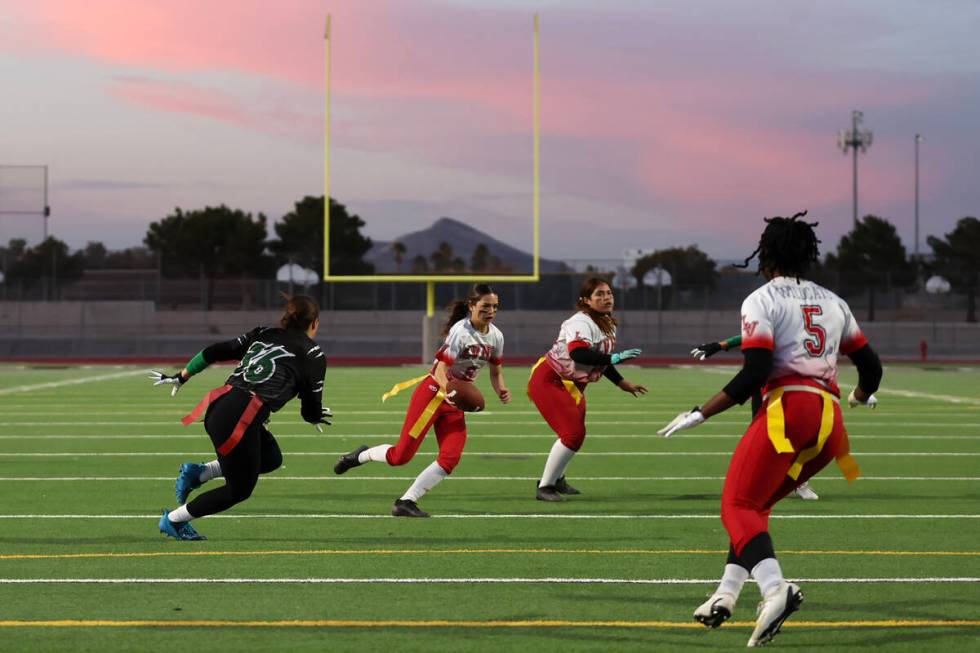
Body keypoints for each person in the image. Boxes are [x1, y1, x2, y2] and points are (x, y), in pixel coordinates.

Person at [658, 211, 882, 647]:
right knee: (754, 507)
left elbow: (754, 372)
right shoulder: (835, 302)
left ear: (767, 254)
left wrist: (700, 412)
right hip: (830, 424)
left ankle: (775, 589)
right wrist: (858, 397)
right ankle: (725, 595)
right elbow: (871, 366)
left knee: (736, 505)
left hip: (789, 412)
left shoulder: (762, 299)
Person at [149, 294, 332, 540]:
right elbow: (309, 411)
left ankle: (200, 473)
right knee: (239, 490)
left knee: (271, 458)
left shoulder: (264, 332)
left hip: (221, 404)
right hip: (240, 416)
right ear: (314, 323)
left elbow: (213, 352)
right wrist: (315, 417)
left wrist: (182, 376)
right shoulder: (314, 355)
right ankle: (173, 520)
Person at [333, 283, 510, 518]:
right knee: (400, 457)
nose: (491, 311)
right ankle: (359, 456)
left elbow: (496, 371)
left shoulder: (497, 336)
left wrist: (501, 389)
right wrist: (449, 391)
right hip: (434, 393)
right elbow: (440, 370)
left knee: (450, 457)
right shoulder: (461, 331)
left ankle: (406, 501)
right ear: (472, 306)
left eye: (495, 307)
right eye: (486, 306)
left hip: (453, 400)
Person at [528, 277, 648, 501]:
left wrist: (622, 383)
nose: (606, 298)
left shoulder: (606, 322)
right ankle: (545, 487)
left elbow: (599, 360)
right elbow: (578, 353)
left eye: (609, 293)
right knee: (572, 434)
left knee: (575, 433)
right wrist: (614, 357)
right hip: (551, 380)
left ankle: (556, 479)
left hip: (572, 384)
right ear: (586, 301)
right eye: (599, 295)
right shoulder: (582, 321)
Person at [691, 336, 820, 501]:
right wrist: (721, 345)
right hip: (764, 381)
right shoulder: (770, 318)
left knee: (796, 430)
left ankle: (798, 481)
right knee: (761, 432)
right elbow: (752, 335)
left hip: (790, 380)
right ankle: (756, 483)